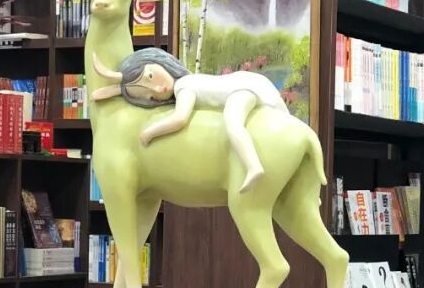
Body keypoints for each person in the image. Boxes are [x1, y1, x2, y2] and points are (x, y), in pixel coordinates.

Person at [92, 48, 289, 192]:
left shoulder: (183, 86)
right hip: (247, 85)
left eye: (150, 76)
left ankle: (253, 166)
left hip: (242, 91)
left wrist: (150, 132)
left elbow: (179, 119)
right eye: (151, 97)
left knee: (233, 123)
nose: (158, 89)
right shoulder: (188, 82)